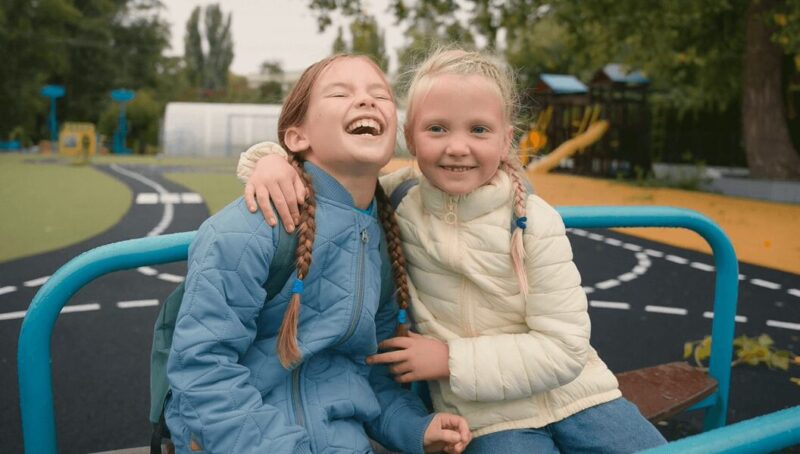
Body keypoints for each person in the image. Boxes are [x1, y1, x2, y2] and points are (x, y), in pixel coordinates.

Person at [238, 48, 667, 453]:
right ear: (409, 137)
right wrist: (269, 161)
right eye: (437, 128)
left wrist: (449, 359)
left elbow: (566, 348)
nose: (457, 146)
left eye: (478, 130)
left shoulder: (534, 220)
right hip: (486, 416)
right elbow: (326, 173)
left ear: (505, 141)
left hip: (581, 397)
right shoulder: (397, 199)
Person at [165, 53, 472, 454]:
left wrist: (415, 427)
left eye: (379, 94)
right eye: (341, 93)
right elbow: (202, 369)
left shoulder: (382, 238)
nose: (366, 101)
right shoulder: (255, 227)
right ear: (296, 137)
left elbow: (372, 374)